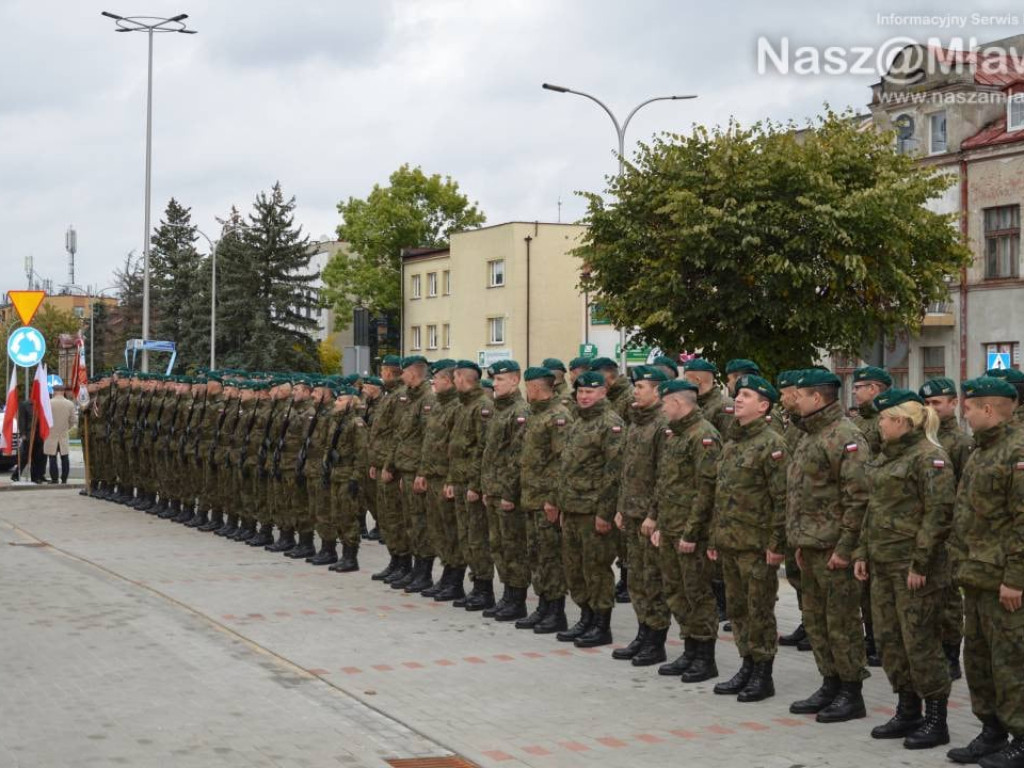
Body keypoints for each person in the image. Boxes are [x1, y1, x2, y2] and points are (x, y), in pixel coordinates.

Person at [854, 389, 954, 750]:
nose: (878, 424)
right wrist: (863, 552)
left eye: (883, 418)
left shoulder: (930, 458)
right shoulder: (886, 457)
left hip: (914, 569)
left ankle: (936, 718)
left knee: (921, 643)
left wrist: (921, 563)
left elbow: (938, 514)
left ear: (901, 421)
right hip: (883, 564)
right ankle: (907, 709)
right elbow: (873, 510)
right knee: (890, 641)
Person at [946, 376, 1024, 768]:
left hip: (1003, 582)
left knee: (1011, 662)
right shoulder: (980, 452)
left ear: (989, 409)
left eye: (971, 408)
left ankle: (1022, 737)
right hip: (976, 577)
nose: (966, 413)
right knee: (978, 660)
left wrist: (1016, 578)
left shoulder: (1017, 451)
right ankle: (991, 730)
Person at [786, 368, 871, 723]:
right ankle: (830, 682)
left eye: (800, 394)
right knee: (817, 620)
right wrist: (800, 541)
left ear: (817, 398)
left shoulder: (845, 436)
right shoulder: (808, 435)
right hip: (811, 545)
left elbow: (859, 498)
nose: (793, 399)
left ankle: (851, 692)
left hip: (835, 549)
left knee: (842, 623)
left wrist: (845, 548)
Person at [709, 375, 788, 702]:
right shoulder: (731, 442)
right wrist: (715, 538)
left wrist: (777, 544)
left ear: (764, 405)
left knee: (759, 610)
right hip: (730, 542)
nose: (737, 399)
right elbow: (720, 494)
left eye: (745, 395)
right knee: (738, 610)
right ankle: (746, 664)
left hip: (756, 545)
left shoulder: (773, 444)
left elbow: (782, 498)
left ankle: (763, 673)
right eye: (737, 394)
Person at [651, 378, 722, 682]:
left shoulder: (703, 436)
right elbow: (665, 480)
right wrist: (655, 518)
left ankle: (705, 657)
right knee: (676, 591)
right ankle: (690, 650)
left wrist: (691, 533)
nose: (661, 408)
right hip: (670, 527)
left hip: (690, 532)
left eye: (664, 402)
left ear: (677, 403)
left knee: (697, 593)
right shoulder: (674, 434)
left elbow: (706, 490)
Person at [555, 371, 624, 647]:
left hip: (593, 510)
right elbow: (566, 468)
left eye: (590, 392)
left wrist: (605, 514)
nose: (584, 397)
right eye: (581, 392)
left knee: (596, 568)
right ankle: (585, 617)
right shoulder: (577, 422)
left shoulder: (611, 424)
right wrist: (562, 505)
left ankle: (601, 624)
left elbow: (614, 473)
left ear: (603, 392)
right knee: (575, 568)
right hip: (572, 507)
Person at [613, 365, 671, 667]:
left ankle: (656, 640)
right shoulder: (636, 424)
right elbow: (628, 473)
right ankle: (642, 631)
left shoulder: (663, 425)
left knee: (653, 580)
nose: (635, 391)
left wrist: (654, 515)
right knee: (636, 577)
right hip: (632, 513)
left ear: (659, 391)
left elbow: (664, 476)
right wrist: (622, 507)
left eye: (642, 387)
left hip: (648, 517)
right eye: (635, 387)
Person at [920, 376, 972, 681]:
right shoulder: (925, 440)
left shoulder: (961, 443)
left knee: (951, 598)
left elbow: (965, 492)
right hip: (928, 532)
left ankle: (952, 653)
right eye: (925, 403)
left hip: (951, 534)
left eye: (936, 403)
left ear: (953, 404)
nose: (930, 408)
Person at [517, 366, 573, 633]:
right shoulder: (534, 414)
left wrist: (553, 499)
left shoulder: (558, 416)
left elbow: (562, 462)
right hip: (531, 497)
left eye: (528, 387)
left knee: (551, 557)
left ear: (536, 388)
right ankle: (543, 606)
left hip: (546, 500)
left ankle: (555, 611)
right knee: (537, 555)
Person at [44, 384, 76, 484]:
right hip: (63, 434)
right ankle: (64, 479)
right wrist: (66, 428)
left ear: (54, 391)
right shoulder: (70, 404)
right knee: (65, 457)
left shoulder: (48, 403)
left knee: (52, 458)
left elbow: (44, 419)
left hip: (51, 434)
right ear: (63, 391)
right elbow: (73, 420)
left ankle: (54, 479)